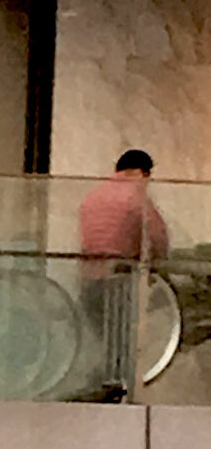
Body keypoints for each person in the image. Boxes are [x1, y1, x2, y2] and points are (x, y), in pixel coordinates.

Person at [78, 147, 172, 400]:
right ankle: (117, 392)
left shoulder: (93, 196)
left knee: (103, 340)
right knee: (123, 342)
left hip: (88, 280)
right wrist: (160, 264)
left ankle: (101, 387)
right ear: (143, 172)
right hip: (119, 281)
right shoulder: (135, 195)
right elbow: (156, 236)